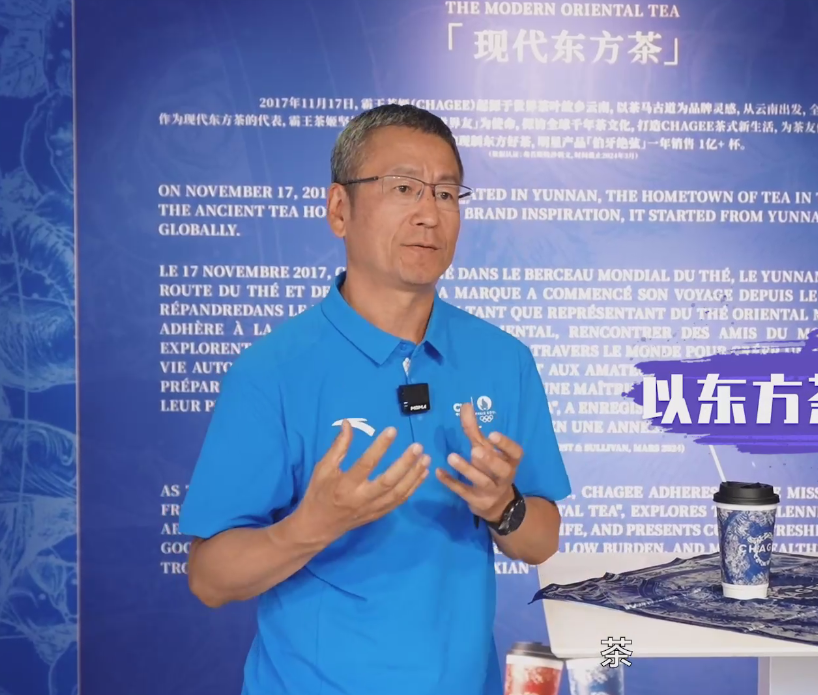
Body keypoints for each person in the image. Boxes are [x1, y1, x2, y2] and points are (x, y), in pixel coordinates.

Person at [178, 104, 570, 695]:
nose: (429, 214)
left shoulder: (501, 358)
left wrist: (503, 506)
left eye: (446, 193)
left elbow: (541, 541)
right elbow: (209, 579)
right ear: (340, 209)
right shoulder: (272, 371)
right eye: (404, 188)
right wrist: (310, 526)